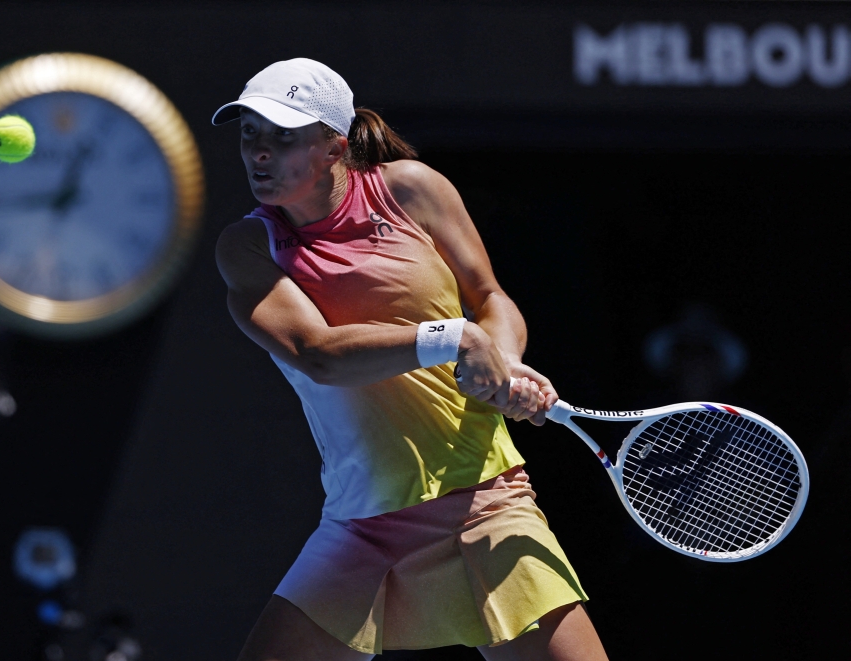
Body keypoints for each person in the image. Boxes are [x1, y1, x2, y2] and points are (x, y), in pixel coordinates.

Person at [213, 58, 608, 661]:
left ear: (334, 147)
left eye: (283, 136)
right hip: (362, 524)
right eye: (249, 133)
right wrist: (456, 339)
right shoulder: (248, 247)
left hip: (484, 501)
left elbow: (490, 298)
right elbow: (318, 355)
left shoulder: (412, 190)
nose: (258, 152)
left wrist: (500, 362)